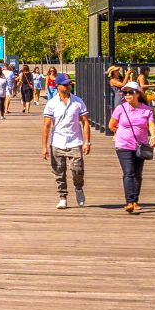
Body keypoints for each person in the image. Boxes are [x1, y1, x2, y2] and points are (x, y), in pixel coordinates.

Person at [41, 73, 91, 209]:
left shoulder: (78, 102)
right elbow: (46, 125)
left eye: (70, 84)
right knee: (58, 171)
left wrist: (87, 142)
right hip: (57, 141)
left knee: (77, 169)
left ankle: (79, 188)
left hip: (74, 141)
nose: (69, 86)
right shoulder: (51, 104)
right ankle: (62, 196)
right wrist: (44, 147)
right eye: (66, 84)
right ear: (58, 86)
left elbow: (85, 122)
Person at [108, 81, 155, 214]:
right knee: (128, 172)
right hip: (123, 145)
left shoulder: (146, 109)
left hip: (140, 145)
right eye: (125, 93)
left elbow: (151, 125)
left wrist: (153, 137)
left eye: (130, 92)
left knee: (137, 174)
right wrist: (121, 133)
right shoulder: (121, 108)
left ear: (138, 94)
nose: (127, 95)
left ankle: (135, 200)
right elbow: (111, 125)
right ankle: (129, 201)